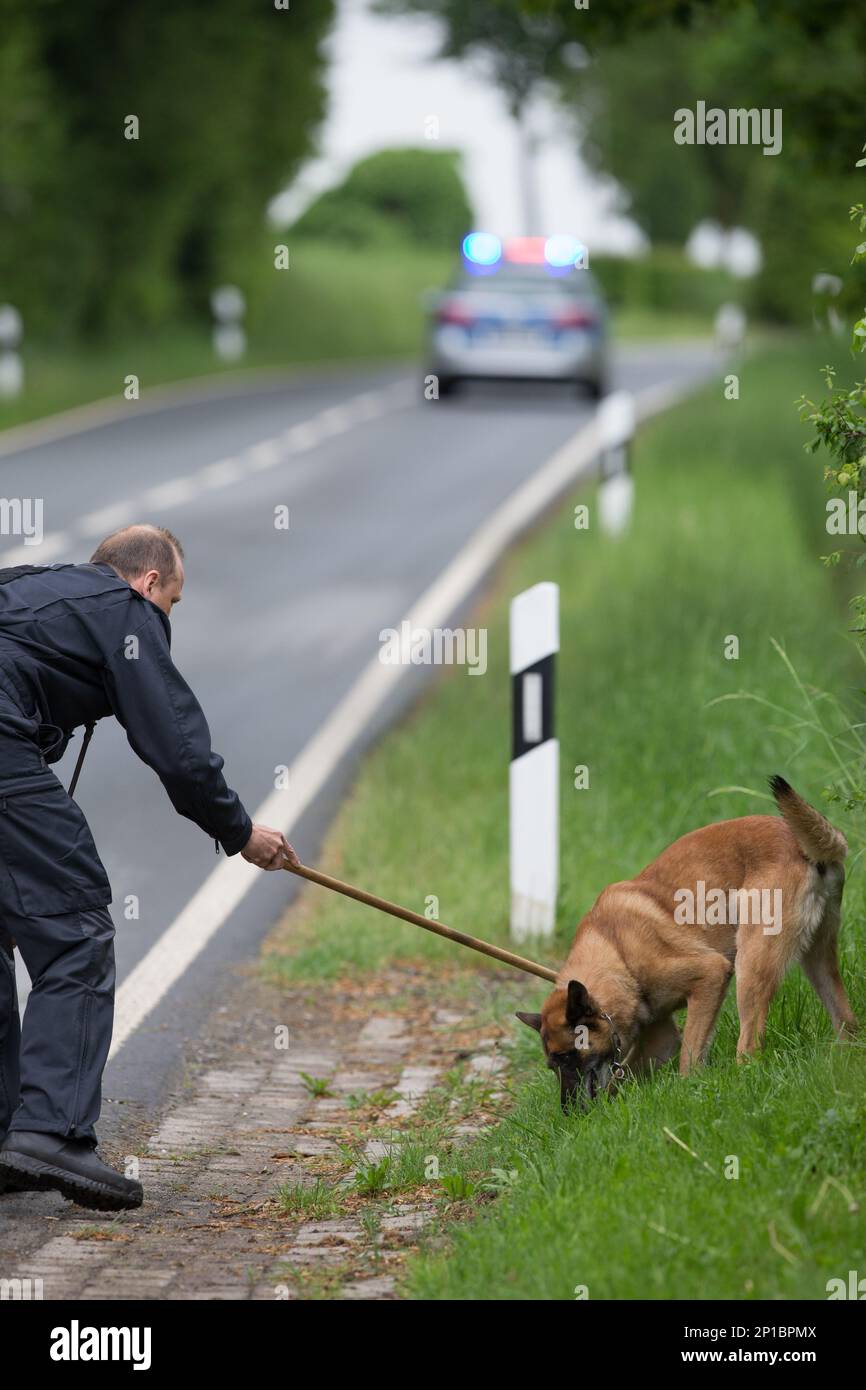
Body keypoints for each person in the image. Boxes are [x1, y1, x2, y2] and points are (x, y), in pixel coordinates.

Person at [0, 524, 298, 1211]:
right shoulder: (126, 612)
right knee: (74, 927)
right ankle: (52, 1132)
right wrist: (240, 832)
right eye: (176, 603)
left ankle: (7, 1136)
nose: (170, 619)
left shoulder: (31, 586)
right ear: (149, 582)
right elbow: (177, 749)